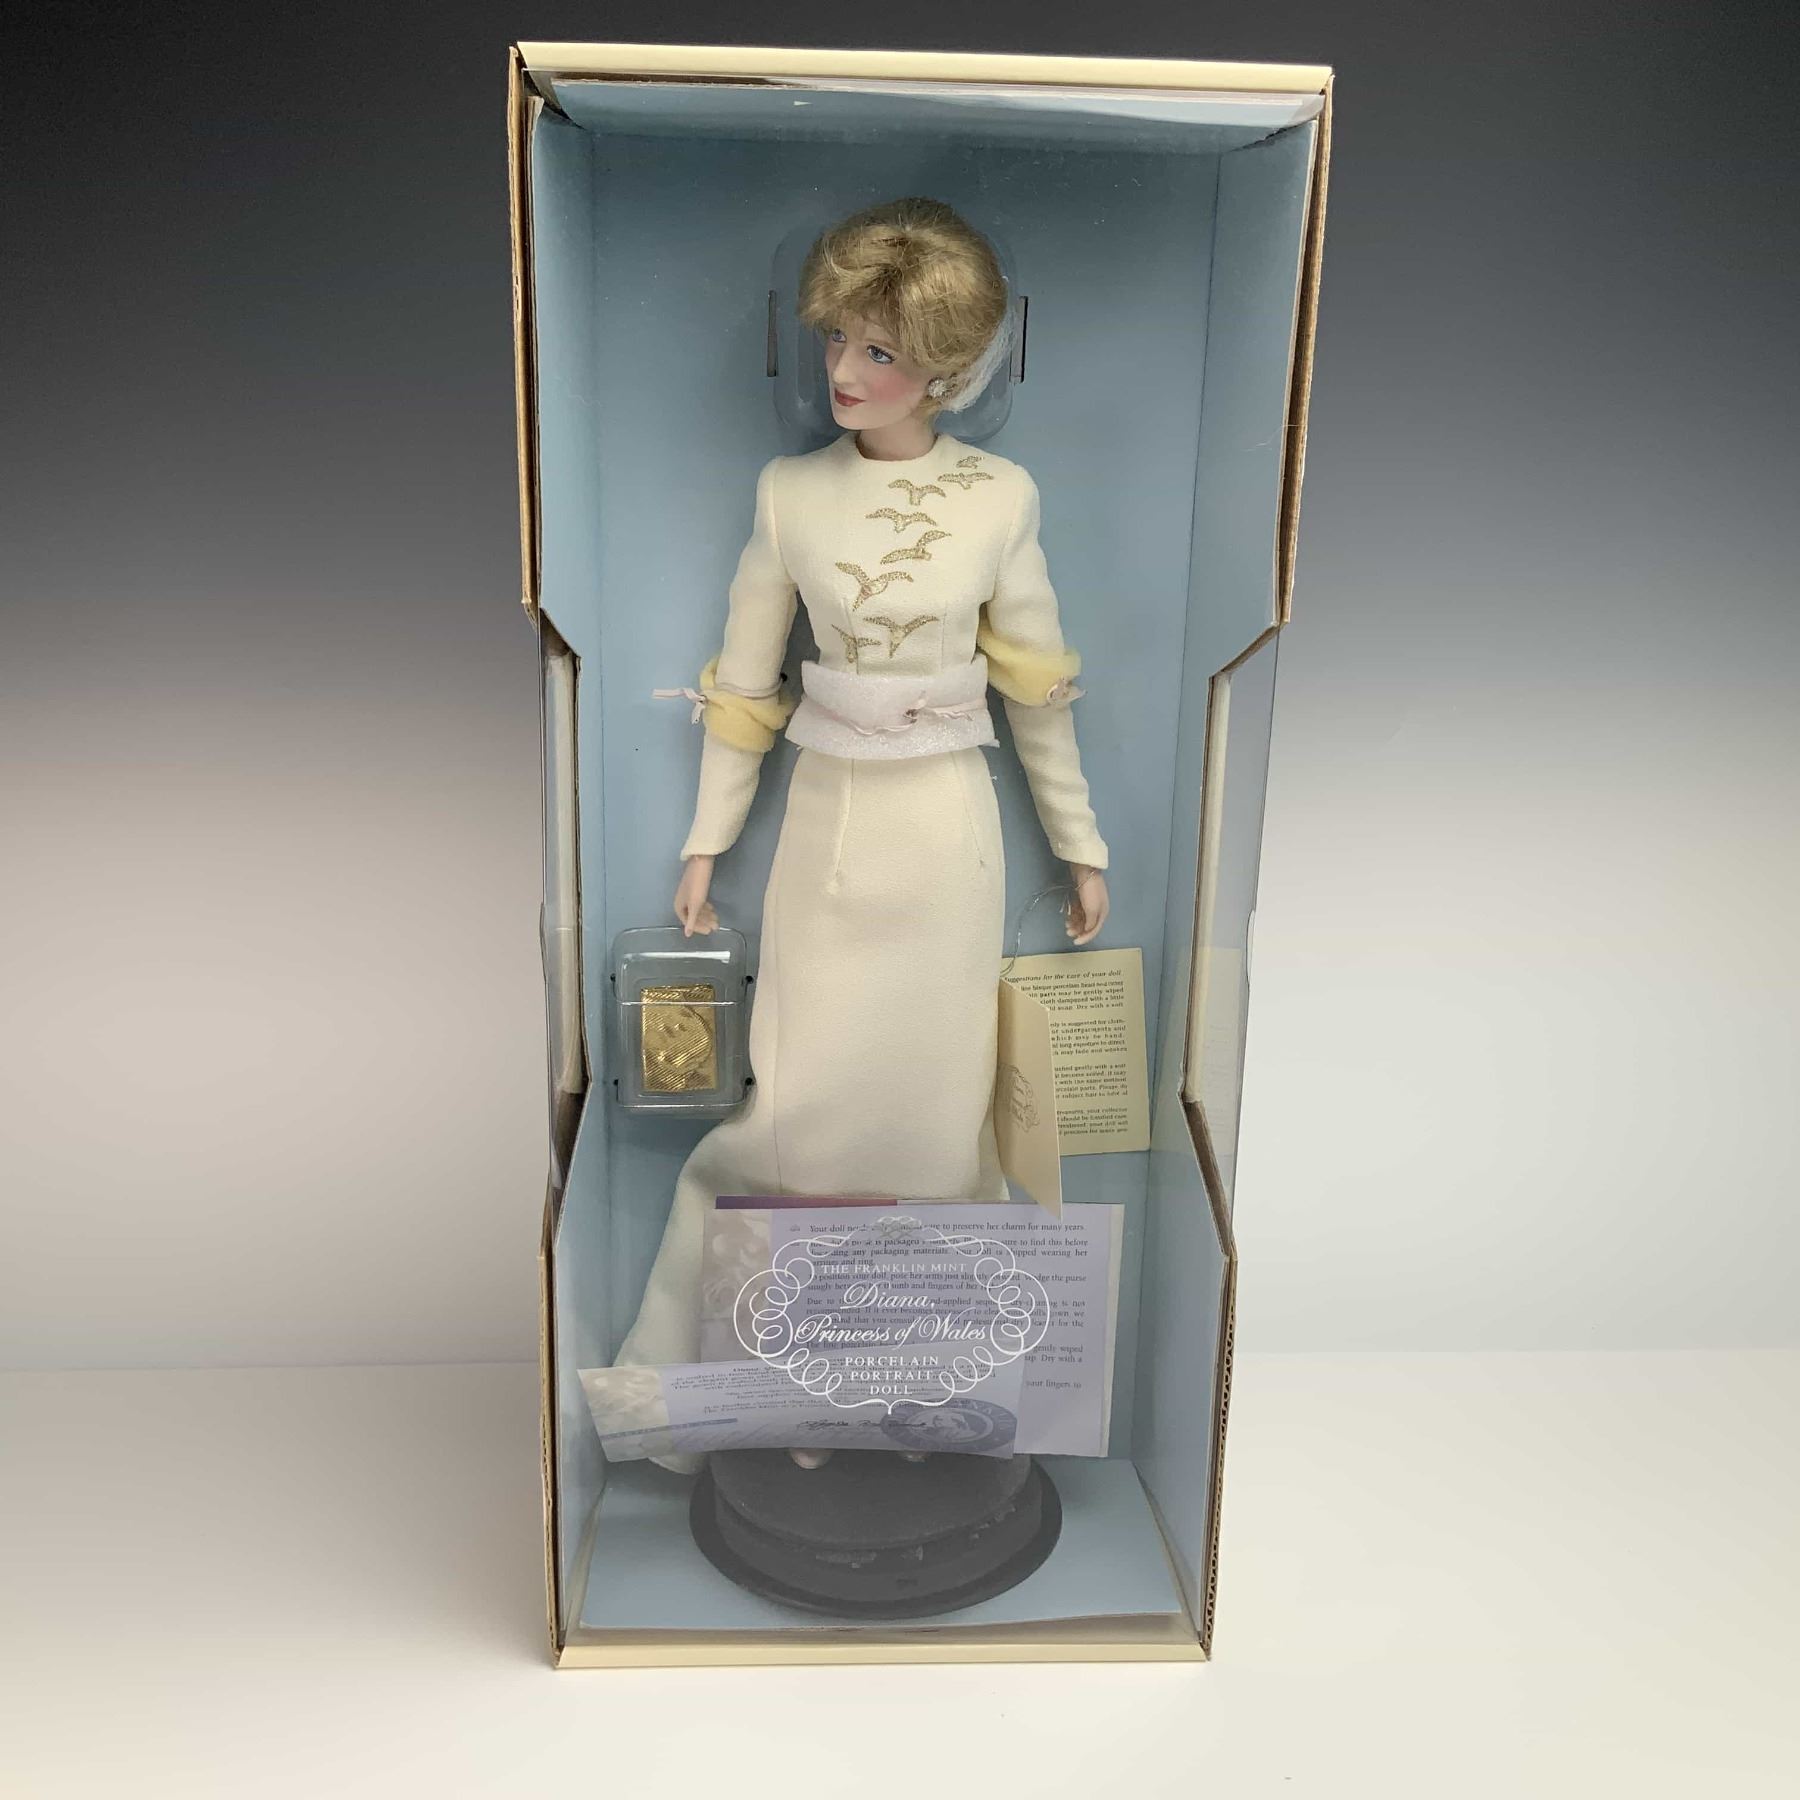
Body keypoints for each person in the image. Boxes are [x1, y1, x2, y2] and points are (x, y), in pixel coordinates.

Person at [617, 197, 1111, 1472]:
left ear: (947, 365)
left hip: (947, 835)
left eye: (880, 349)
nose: (844, 369)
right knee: (799, 1111)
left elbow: (1035, 680)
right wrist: (706, 841)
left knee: (941, 1120)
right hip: (828, 836)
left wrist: (1081, 842)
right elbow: (745, 683)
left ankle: (920, 1404)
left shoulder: (1000, 497)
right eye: (838, 337)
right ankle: (765, 1398)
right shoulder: (791, 494)